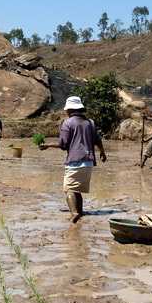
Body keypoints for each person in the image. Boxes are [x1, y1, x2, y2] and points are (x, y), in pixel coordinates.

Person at [40, 95, 107, 223]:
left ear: (69, 110)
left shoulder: (68, 123)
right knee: (78, 189)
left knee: (69, 189)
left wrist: (47, 145)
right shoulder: (90, 123)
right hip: (89, 162)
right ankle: (80, 213)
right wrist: (103, 153)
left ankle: (74, 213)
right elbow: (97, 140)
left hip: (75, 161)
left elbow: (63, 145)